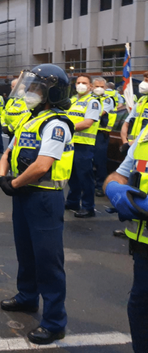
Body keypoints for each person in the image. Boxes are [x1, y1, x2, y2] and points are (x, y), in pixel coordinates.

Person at [0, 64, 74, 345]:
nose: (29, 92)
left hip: (43, 198)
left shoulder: (55, 124)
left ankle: (54, 322)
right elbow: (8, 150)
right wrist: (3, 176)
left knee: (48, 260)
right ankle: (27, 296)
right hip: (24, 194)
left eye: (36, 88)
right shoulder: (30, 120)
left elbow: (42, 166)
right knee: (26, 252)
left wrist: (13, 184)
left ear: (51, 93)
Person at [103, 125, 148, 353]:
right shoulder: (146, 134)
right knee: (140, 309)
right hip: (142, 247)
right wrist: (113, 188)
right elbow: (119, 174)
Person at [65, 73, 101, 218]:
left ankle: (88, 207)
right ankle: (73, 201)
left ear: (90, 86)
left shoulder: (93, 102)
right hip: (71, 143)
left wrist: (67, 128)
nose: (81, 85)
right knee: (72, 176)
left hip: (84, 144)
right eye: (78, 82)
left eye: (84, 83)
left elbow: (87, 123)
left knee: (85, 177)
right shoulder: (72, 100)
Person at [92, 78, 116, 197]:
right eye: (97, 86)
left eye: (101, 86)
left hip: (101, 135)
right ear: (92, 86)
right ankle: (89, 186)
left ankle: (100, 186)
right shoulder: (89, 99)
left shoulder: (107, 100)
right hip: (88, 134)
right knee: (87, 162)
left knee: (99, 161)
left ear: (105, 87)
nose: (99, 88)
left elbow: (100, 113)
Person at [121, 72, 148, 148]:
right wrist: (125, 142)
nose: (143, 84)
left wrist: (130, 144)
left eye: (147, 81)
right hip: (133, 147)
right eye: (144, 80)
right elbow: (126, 123)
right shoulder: (142, 100)